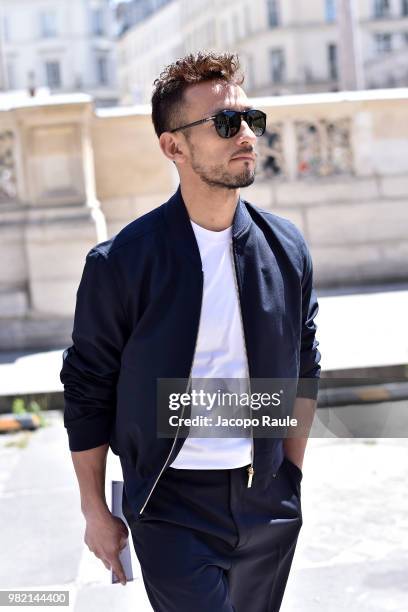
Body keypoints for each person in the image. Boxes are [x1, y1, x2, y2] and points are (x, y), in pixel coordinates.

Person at [60, 51, 321, 612]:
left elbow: (305, 363)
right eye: (225, 124)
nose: (246, 134)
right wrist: (94, 509)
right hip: (169, 499)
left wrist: (290, 474)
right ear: (173, 145)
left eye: (252, 119)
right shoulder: (122, 263)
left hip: (266, 498)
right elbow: (87, 388)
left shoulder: (286, 247)